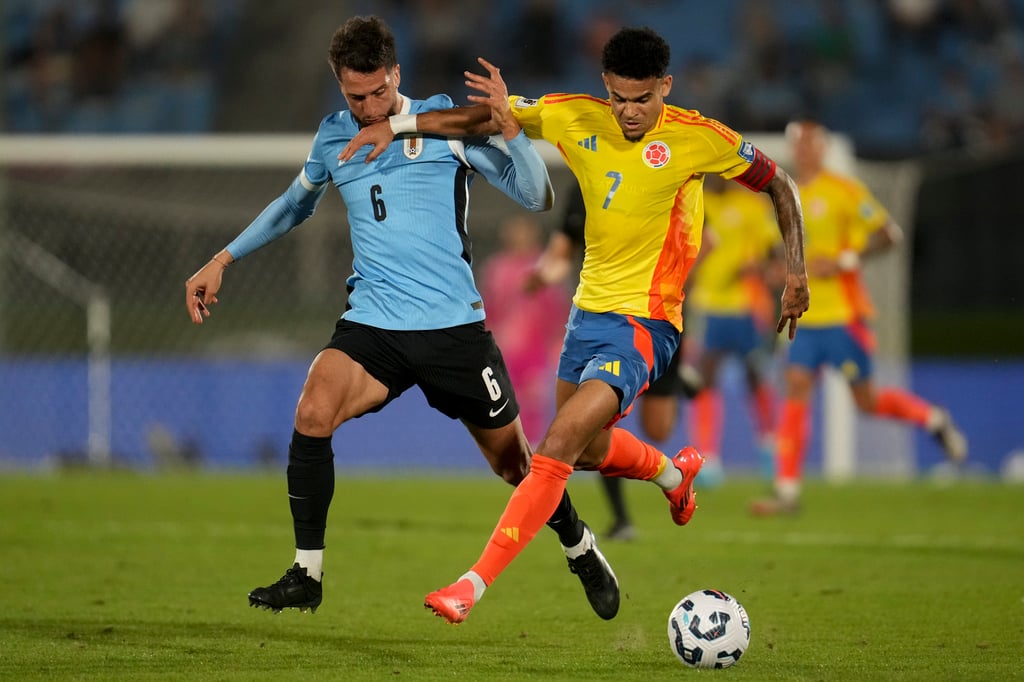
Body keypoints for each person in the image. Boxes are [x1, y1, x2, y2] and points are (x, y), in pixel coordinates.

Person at [341, 26, 809, 624]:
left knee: (555, 446)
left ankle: (472, 584)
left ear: (665, 86)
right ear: (605, 88)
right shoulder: (575, 117)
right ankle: (674, 473)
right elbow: (482, 121)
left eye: (644, 99)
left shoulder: (698, 137)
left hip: (647, 324)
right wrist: (397, 126)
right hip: (585, 316)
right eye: (620, 98)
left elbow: (780, 184)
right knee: (584, 452)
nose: (631, 112)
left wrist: (794, 270)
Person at [183, 15, 619, 621]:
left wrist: (514, 131)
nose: (366, 107)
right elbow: (293, 206)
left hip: (453, 331)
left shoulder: (441, 121)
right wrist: (222, 258)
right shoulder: (334, 136)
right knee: (313, 409)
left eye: (377, 93)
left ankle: (579, 545)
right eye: (353, 96)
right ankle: (307, 572)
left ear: (396, 73)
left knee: (517, 465)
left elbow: (535, 195)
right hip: (374, 326)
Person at [751, 120, 968, 516]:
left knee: (865, 402)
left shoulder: (844, 191)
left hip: (843, 316)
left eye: (810, 142)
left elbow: (889, 234)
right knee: (795, 391)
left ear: (822, 148)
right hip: (804, 318)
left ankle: (933, 418)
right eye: (797, 143)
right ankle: (787, 491)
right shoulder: (782, 195)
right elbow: (770, 260)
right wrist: (776, 274)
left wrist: (843, 260)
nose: (804, 149)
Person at [527, 180, 704, 541]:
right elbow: (563, 248)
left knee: (657, 429)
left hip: (654, 321)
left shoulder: (663, 173)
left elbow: (698, 239)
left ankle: (667, 387)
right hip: (600, 322)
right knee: (588, 430)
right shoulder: (583, 183)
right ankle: (622, 519)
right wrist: (544, 275)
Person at [687, 173, 784, 486]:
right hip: (708, 304)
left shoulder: (751, 204)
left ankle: (770, 447)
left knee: (755, 375)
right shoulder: (695, 201)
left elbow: (773, 250)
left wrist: (763, 269)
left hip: (747, 305)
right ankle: (709, 457)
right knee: (705, 377)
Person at [479, 214, 570, 444]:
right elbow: (487, 309)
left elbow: (557, 310)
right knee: (503, 405)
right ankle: (511, 454)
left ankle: (533, 459)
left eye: (523, 230)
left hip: (535, 350)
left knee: (531, 405)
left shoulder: (544, 268)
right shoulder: (495, 269)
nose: (518, 235)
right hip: (502, 350)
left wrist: (558, 342)